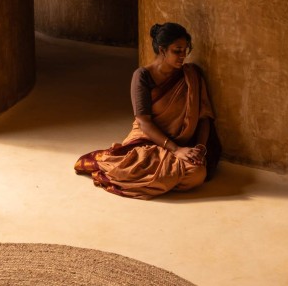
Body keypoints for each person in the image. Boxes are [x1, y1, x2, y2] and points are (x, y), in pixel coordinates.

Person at [74, 22, 221, 199]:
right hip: (147, 137)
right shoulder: (142, 76)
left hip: (182, 142)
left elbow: (204, 116)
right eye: (177, 50)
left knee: (197, 174)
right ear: (162, 50)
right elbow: (144, 122)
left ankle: (158, 178)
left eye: (185, 50)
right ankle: (162, 178)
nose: (183, 56)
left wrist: (200, 149)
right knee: (125, 168)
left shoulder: (191, 75)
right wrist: (175, 150)